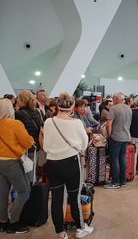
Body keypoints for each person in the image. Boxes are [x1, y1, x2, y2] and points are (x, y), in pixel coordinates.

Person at [43, 92, 93, 239]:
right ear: (72, 106)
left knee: (56, 200)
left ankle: (60, 233)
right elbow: (84, 145)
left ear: (57, 105)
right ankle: (80, 228)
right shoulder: (77, 123)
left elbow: (46, 146)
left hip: (52, 163)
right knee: (74, 196)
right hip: (71, 162)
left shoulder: (48, 122)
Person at [0, 99, 34, 234]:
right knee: (23, 190)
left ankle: (3, 223)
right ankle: (14, 223)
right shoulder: (16, 124)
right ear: (11, 109)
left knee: (2, 193)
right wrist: (30, 141)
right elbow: (27, 142)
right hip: (11, 163)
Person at [104, 93, 133, 189]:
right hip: (126, 136)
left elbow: (109, 124)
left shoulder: (113, 108)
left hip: (116, 137)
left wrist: (109, 135)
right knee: (123, 158)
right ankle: (123, 181)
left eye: (113, 98)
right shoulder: (129, 108)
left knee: (115, 159)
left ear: (116, 99)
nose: (112, 100)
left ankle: (115, 182)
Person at [15, 90, 43, 180]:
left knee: (24, 176)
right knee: (32, 173)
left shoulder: (18, 114)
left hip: (24, 148)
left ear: (22, 100)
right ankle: (33, 191)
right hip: (35, 146)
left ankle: (28, 193)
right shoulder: (37, 112)